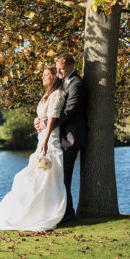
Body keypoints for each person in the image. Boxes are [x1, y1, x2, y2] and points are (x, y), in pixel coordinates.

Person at [0, 66, 67, 231]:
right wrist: (38, 121)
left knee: (46, 178)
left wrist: (45, 141)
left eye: (46, 75)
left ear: (54, 77)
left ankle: (44, 212)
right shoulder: (47, 94)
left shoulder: (57, 94)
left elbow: (52, 119)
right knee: (32, 177)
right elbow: (44, 116)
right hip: (42, 138)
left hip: (49, 140)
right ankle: (27, 211)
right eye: (43, 75)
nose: (43, 77)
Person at [35, 53, 87, 222]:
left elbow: (69, 111)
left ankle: (68, 213)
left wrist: (47, 123)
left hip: (70, 138)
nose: (58, 72)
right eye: (56, 69)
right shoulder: (64, 83)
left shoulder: (77, 84)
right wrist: (42, 120)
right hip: (60, 137)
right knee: (59, 177)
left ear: (71, 66)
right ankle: (64, 211)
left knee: (64, 177)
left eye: (61, 69)